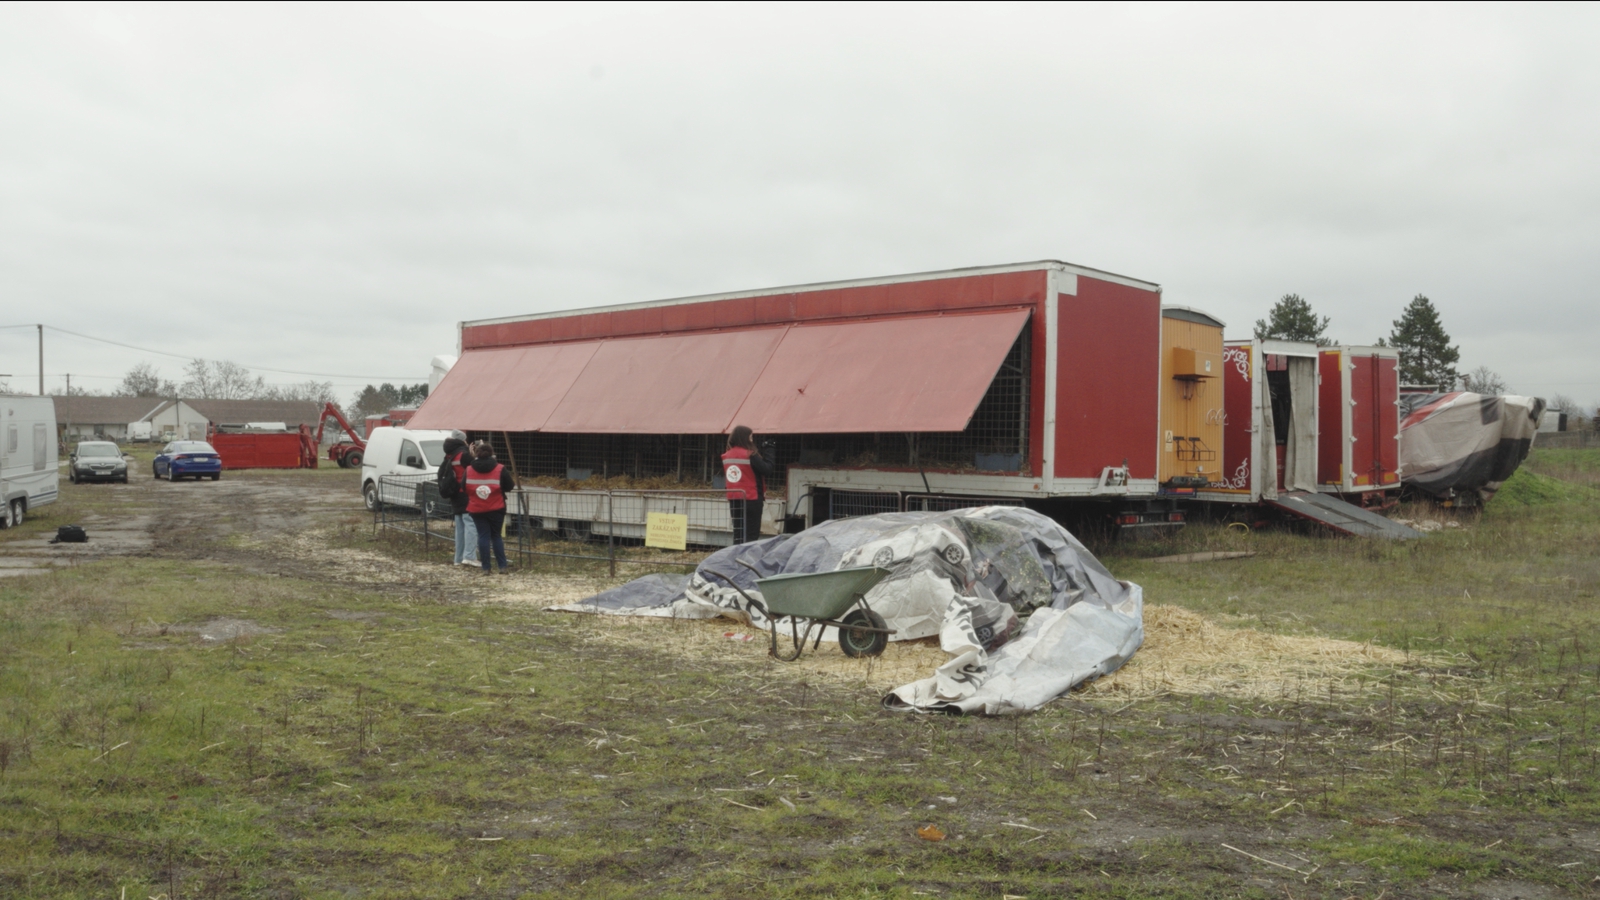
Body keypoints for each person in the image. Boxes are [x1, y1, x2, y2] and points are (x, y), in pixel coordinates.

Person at [464, 441, 516, 574]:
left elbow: (462, 486)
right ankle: (502, 566)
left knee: (483, 536)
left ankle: (486, 568)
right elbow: (510, 486)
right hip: (496, 507)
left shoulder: (469, 469)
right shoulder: (500, 468)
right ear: (492, 453)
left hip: (476, 508)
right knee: (496, 536)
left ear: (477, 454)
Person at [721, 425, 773, 545]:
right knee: (751, 535)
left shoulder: (727, 455)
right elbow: (767, 469)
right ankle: (746, 560)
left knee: (738, 533)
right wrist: (770, 450)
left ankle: (736, 559)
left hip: (734, 498)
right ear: (744, 438)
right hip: (751, 498)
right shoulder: (749, 455)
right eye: (750, 437)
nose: (752, 440)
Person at [437, 437, 479, 567]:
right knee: (471, 524)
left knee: (460, 527)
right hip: (465, 493)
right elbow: (476, 468)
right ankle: (469, 556)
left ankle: (458, 558)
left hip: (454, 494)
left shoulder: (449, 455)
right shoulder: (463, 454)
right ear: (461, 440)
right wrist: (474, 455)